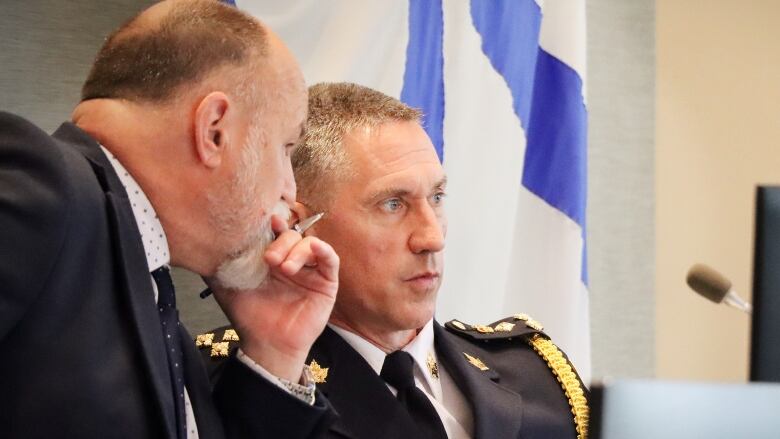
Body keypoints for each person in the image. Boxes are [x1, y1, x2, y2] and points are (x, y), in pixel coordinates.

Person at [0, 1, 340, 438]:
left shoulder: (157, 301)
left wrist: (275, 353)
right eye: (286, 148)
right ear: (214, 130)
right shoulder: (42, 181)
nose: (290, 192)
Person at [200, 82, 589, 439]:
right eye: (392, 204)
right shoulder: (243, 382)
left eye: (436, 198)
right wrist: (277, 364)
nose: (432, 237)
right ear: (298, 225)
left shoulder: (535, 375)